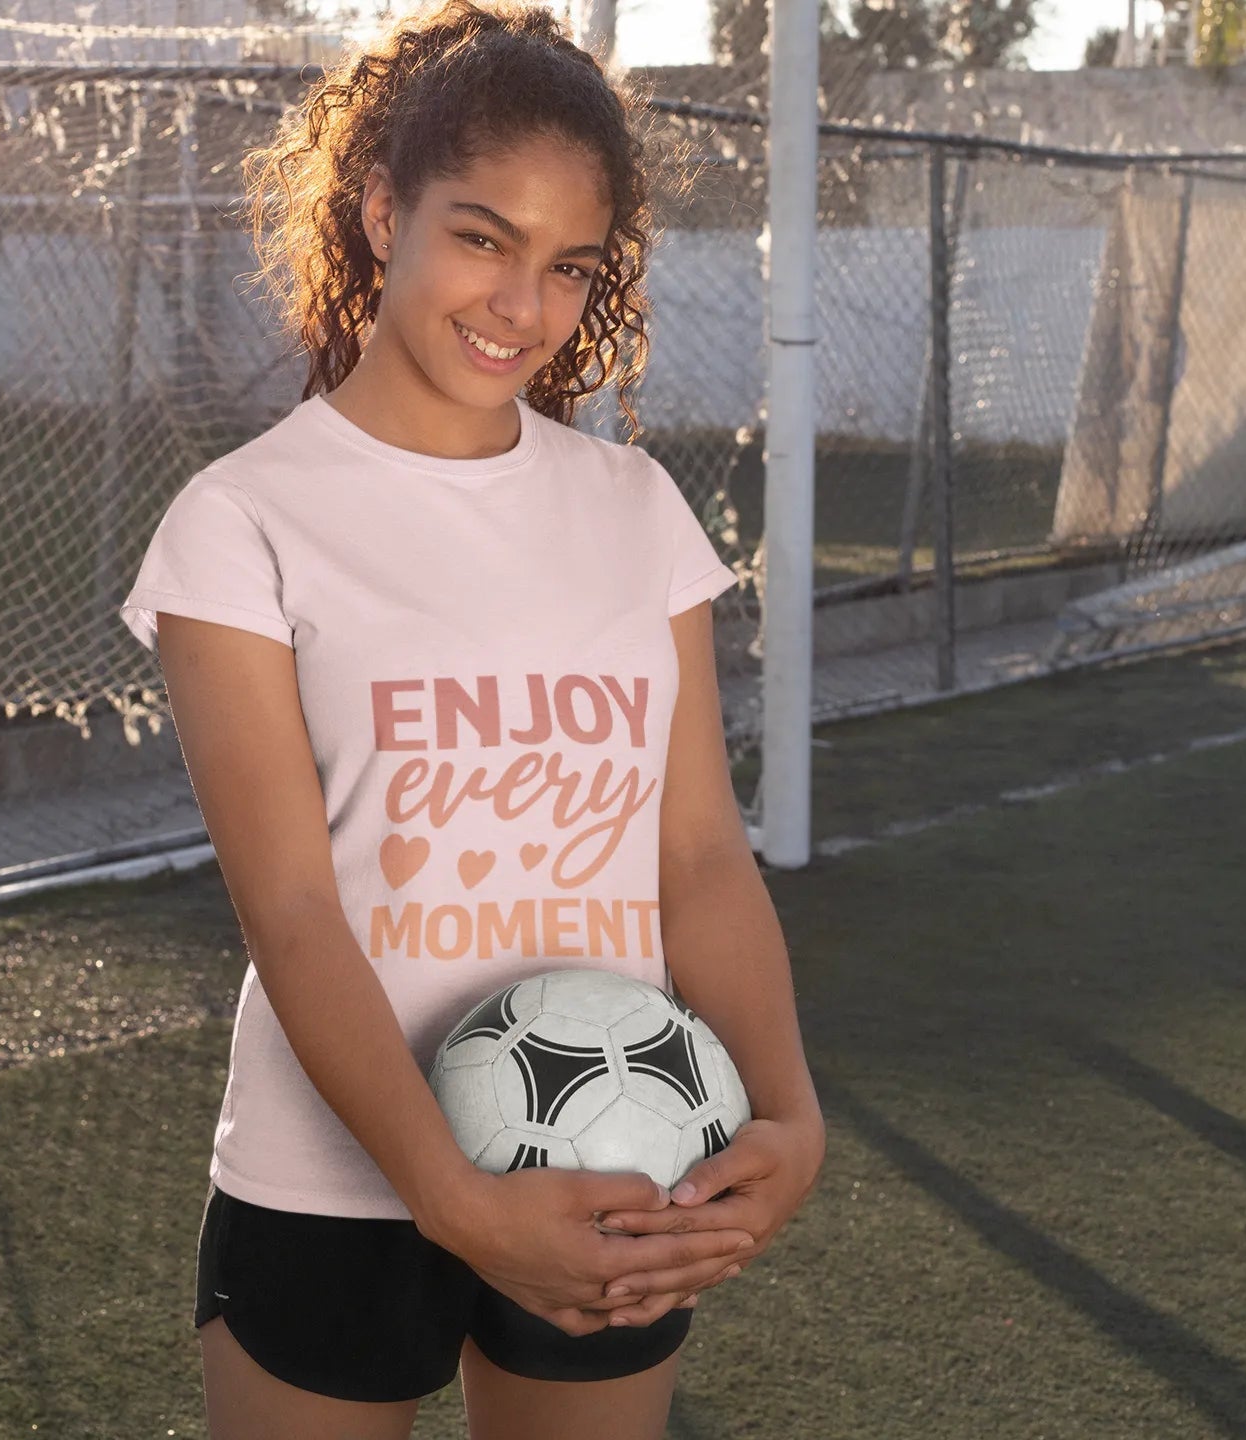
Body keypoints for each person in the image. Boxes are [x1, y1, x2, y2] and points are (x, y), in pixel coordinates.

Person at [117, 2, 824, 1436]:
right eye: (483, 238)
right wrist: (453, 1202)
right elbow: (295, 912)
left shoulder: (630, 508)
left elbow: (695, 855)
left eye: (570, 267)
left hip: (618, 1152)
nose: (522, 305)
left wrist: (791, 1118)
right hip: (333, 1180)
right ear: (383, 211)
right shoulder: (243, 521)